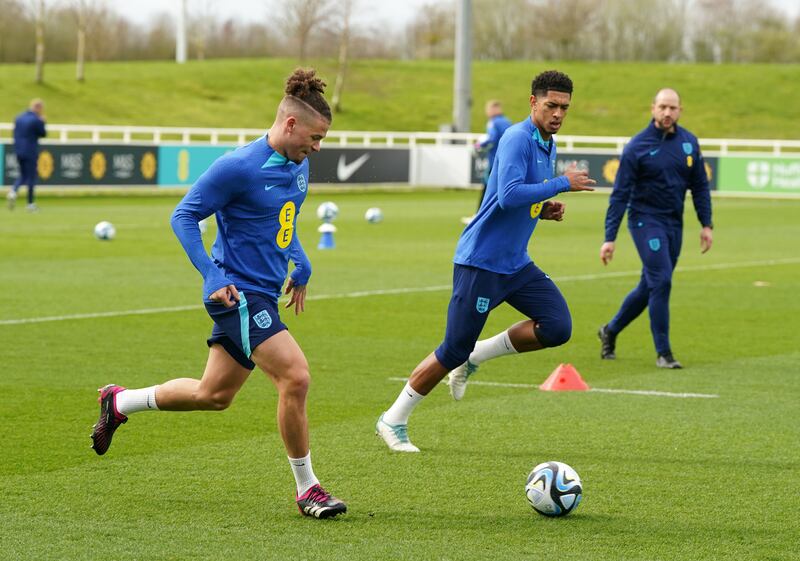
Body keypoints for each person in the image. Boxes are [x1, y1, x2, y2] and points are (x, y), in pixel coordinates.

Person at [90, 69, 347, 519]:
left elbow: (282, 221)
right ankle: (309, 489)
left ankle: (120, 401)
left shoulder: (298, 165)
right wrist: (210, 275)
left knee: (213, 394)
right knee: (296, 377)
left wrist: (300, 259)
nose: (318, 147)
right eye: (315, 136)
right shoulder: (237, 167)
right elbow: (183, 216)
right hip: (237, 293)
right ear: (290, 125)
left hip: (264, 290)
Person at [376, 70, 596, 452]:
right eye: (551, 105)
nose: (559, 113)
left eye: (564, 107)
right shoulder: (515, 138)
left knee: (558, 326)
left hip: (515, 264)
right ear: (533, 103)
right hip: (481, 264)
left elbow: (514, 200)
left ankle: (478, 355)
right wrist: (562, 184)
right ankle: (393, 419)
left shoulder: (547, 144)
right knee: (451, 350)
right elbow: (509, 195)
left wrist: (543, 209)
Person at [598, 88, 713, 369]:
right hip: (644, 221)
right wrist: (609, 238)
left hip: (675, 223)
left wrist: (706, 224)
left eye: (672, 108)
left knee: (649, 285)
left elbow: (699, 186)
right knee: (661, 280)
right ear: (653, 108)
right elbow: (620, 194)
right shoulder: (637, 146)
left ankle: (610, 330)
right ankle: (664, 353)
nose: (667, 113)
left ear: (680, 111)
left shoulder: (689, 142)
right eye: (662, 107)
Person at [462, 100, 513, 224]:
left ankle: (479, 216)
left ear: (493, 110)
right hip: (508, 160)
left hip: (495, 161)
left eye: (488, 109)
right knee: (504, 188)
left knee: (487, 187)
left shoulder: (493, 122)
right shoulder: (507, 121)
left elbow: (491, 139)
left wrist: (479, 145)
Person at [9, 98, 47, 211]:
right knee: (31, 177)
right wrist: (43, 122)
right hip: (30, 151)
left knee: (23, 175)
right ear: (38, 108)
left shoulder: (19, 117)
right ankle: (30, 204)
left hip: (18, 150)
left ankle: (13, 192)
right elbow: (43, 133)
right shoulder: (36, 120)